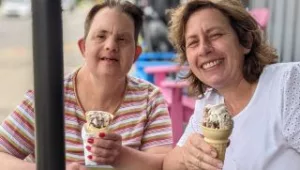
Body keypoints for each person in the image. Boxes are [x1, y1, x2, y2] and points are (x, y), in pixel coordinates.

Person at [0, 1, 173, 170]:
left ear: (136, 54)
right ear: (83, 47)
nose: (111, 46)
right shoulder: (46, 99)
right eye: (101, 36)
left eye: (122, 39)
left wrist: (121, 156)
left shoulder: (150, 99)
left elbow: (163, 164)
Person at [163, 0, 300, 170]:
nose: (204, 49)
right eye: (193, 43)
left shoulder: (288, 84)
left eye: (215, 35)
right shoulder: (209, 103)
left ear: (246, 41)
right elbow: (168, 165)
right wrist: (186, 155)